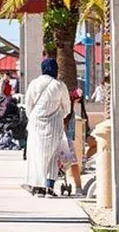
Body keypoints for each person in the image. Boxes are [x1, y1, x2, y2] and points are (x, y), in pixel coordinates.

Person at [25, 58, 71, 197]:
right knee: (52, 155)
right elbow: (67, 107)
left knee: (35, 154)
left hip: (36, 123)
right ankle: (49, 188)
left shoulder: (34, 83)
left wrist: (33, 117)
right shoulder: (59, 85)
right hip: (54, 123)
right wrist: (59, 115)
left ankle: (37, 187)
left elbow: (28, 105)